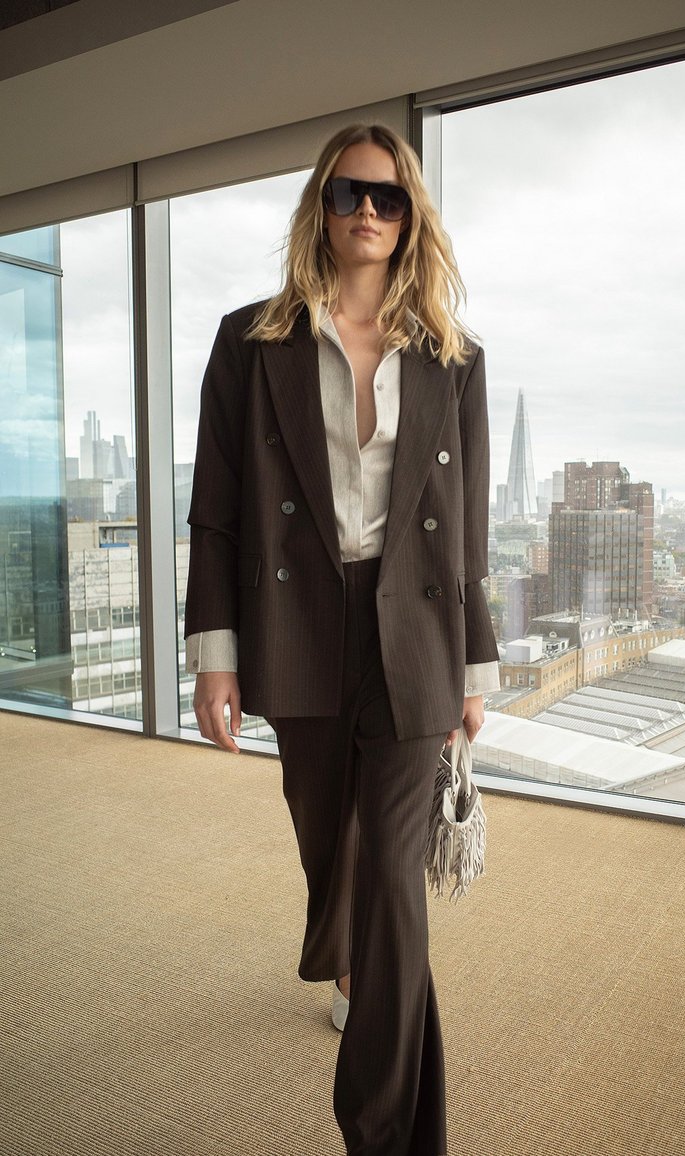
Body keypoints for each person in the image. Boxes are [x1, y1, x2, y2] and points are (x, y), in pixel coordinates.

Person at [184, 122, 500, 1156]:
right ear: (318, 207)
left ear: (411, 218)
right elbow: (217, 514)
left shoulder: (453, 359)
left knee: (391, 884)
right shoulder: (249, 342)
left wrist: (473, 664)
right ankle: (354, 964)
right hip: (300, 625)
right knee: (335, 855)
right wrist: (215, 656)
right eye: (348, 194)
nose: (367, 212)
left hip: (415, 631)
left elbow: (467, 532)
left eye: (388, 198)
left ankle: (381, 1130)